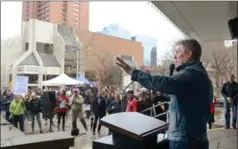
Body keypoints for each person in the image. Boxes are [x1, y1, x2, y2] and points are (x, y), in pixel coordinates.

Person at [116, 39, 212, 149]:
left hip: (185, 140)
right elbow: (189, 100)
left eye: (177, 52)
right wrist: (163, 97)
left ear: (189, 54)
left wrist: (135, 73)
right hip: (193, 138)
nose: (174, 57)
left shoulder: (191, 74)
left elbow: (164, 82)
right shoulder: (199, 74)